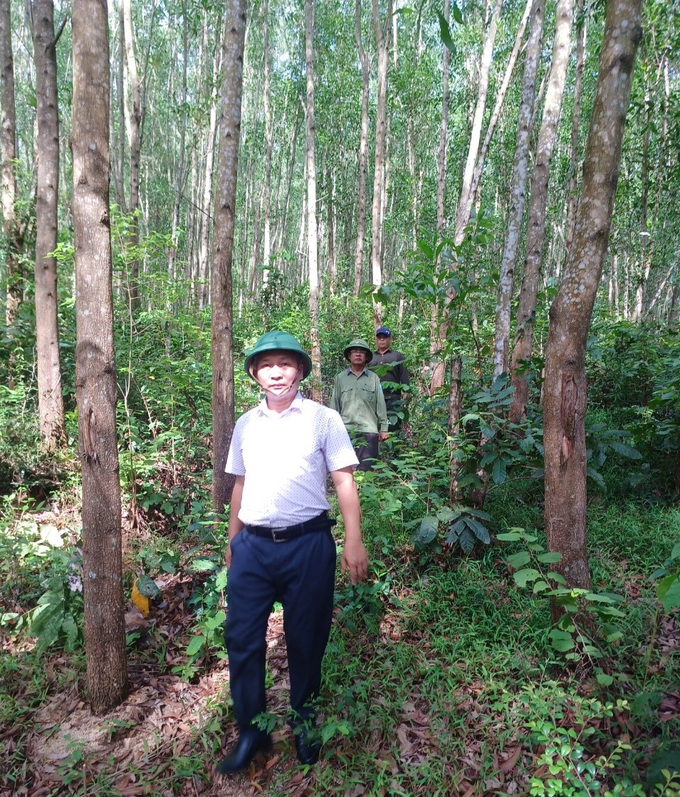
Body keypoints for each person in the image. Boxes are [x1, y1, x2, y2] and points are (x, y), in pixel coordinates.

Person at [217, 330, 368, 775]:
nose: (277, 372)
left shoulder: (323, 419)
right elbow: (239, 485)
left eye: (286, 363)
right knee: (242, 640)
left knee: (307, 639)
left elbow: (343, 480)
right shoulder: (246, 424)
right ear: (255, 374)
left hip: (308, 545)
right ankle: (252, 732)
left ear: (300, 370)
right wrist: (232, 540)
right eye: (267, 365)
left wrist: (353, 540)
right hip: (253, 548)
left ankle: (304, 721)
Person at [330, 339, 389, 471]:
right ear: (349, 356)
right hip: (345, 431)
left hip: (368, 431)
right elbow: (335, 404)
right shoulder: (340, 378)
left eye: (361, 352)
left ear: (366, 357)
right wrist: (332, 428)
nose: (358, 354)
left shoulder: (373, 378)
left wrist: (383, 428)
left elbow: (380, 404)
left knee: (367, 472)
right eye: (354, 351)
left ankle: (364, 492)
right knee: (345, 472)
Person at [369, 326, 410, 432]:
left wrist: (406, 392)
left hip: (393, 398)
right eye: (379, 338)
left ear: (390, 339)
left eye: (385, 337)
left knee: (393, 427)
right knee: (374, 426)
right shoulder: (371, 357)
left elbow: (404, 374)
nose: (382, 340)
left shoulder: (397, 356)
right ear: (376, 340)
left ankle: (394, 447)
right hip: (373, 398)